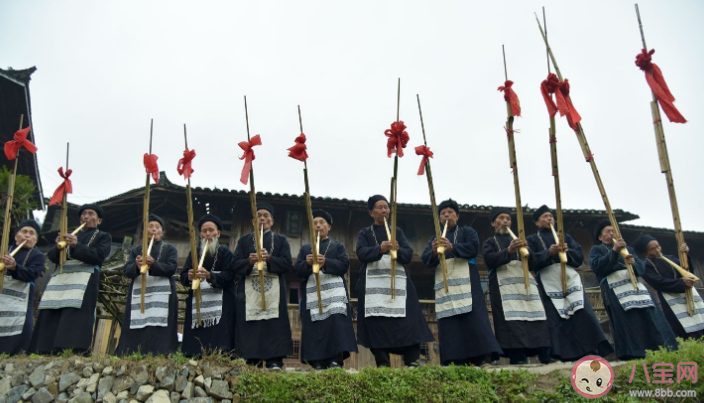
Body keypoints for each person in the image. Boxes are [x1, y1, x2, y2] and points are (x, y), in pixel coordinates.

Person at [526, 205, 613, 361]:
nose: (549, 218)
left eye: (551, 216)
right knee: (555, 318)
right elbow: (529, 261)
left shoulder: (564, 237)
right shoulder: (532, 240)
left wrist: (567, 252)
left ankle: (589, 349)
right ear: (537, 222)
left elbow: (578, 257)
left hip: (569, 277)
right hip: (548, 280)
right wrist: (549, 253)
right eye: (545, 216)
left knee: (582, 312)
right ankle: (559, 354)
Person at [355, 195, 434, 368]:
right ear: (371, 212)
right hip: (373, 288)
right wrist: (380, 248)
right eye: (379, 207)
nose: (384, 210)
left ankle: (412, 361)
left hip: (398, 284)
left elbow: (408, 255)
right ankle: (383, 364)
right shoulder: (365, 233)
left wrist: (397, 250)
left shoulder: (396, 231)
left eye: (386, 207)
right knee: (377, 325)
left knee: (409, 321)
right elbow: (361, 253)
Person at [421, 199, 501, 366]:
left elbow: (473, 248)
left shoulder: (467, 231)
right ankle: (454, 359)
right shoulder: (434, 238)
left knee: (474, 317)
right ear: (439, 219)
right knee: (450, 319)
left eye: (450, 212)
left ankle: (483, 357)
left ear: (457, 216)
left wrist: (452, 247)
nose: (446, 215)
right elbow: (426, 260)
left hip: (467, 279)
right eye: (443, 213)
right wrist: (434, 252)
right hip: (446, 282)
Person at [589, 219, 678, 360]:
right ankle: (634, 354)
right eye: (608, 231)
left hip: (637, 289)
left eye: (613, 231)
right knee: (628, 322)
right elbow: (597, 266)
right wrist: (614, 251)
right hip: (615, 290)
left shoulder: (629, 249)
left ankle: (661, 349)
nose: (612, 233)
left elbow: (641, 269)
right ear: (600, 237)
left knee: (650, 317)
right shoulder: (597, 249)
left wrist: (634, 263)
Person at [31, 204, 112, 355]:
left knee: (75, 314)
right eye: (83, 214)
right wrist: (58, 247)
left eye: (90, 214)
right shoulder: (70, 235)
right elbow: (53, 257)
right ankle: (45, 348)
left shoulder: (103, 236)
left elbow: (98, 256)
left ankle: (72, 349)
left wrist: (76, 245)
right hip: (62, 278)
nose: (86, 217)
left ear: (99, 220)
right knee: (53, 309)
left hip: (85, 278)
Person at [482, 207, 551, 365]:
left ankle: (545, 354)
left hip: (525, 285)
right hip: (503, 287)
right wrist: (509, 250)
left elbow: (533, 264)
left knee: (536, 316)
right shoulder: (490, 242)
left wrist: (527, 251)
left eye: (508, 218)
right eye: (501, 218)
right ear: (494, 223)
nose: (505, 221)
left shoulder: (521, 241)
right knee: (511, 322)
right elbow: (489, 260)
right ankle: (517, 356)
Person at [293, 209, 358, 370]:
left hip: (334, 292)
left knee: (335, 323)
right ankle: (317, 361)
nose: (318, 226)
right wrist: (307, 264)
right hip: (313, 292)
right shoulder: (305, 248)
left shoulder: (337, 246)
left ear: (329, 227)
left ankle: (335, 360)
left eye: (321, 223)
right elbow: (298, 270)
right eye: (315, 223)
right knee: (315, 326)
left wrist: (326, 262)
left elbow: (344, 265)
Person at [232, 202, 293, 370]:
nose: (262, 219)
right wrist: (249, 261)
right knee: (252, 326)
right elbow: (235, 264)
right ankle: (252, 360)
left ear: (272, 221)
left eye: (266, 216)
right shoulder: (244, 241)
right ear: (253, 221)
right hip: (250, 291)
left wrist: (270, 259)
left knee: (274, 324)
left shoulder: (280, 240)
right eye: (259, 216)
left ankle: (274, 361)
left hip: (273, 289)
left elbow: (287, 263)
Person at [115, 214, 179, 355]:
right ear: (145, 231)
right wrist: (137, 266)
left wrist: (154, 264)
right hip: (140, 292)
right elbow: (126, 270)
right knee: (138, 320)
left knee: (160, 325)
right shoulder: (137, 250)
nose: (154, 230)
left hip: (162, 293)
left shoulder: (169, 249)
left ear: (162, 232)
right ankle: (131, 352)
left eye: (157, 227)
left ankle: (161, 352)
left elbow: (171, 268)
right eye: (150, 227)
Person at [180, 214, 236, 356]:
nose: (208, 234)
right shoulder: (194, 253)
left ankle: (220, 354)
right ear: (200, 234)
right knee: (196, 338)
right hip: (198, 301)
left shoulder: (225, 252)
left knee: (219, 337)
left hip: (221, 303)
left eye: (211, 230)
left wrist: (210, 276)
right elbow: (183, 275)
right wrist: (189, 275)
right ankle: (194, 354)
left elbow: (230, 275)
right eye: (204, 231)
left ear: (218, 233)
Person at [634, 234, 704, 340]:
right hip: (671, 301)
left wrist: (685, 255)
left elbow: (686, 271)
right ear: (645, 253)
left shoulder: (671, 258)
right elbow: (659, 283)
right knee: (683, 330)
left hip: (689, 296)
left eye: (658, 246)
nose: (657, 250)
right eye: (652, 249)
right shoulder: (646, 266)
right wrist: (682, 283)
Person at [0, 220, 46, 355]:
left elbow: (33, 274)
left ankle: (15, 354)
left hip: (21, 300)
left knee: (21, 328)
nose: (27, 236)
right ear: (16, 237)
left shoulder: (38, 256)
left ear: (35, 240)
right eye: (24, 232)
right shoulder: (4, 250)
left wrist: (15, 267)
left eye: (31, 233)